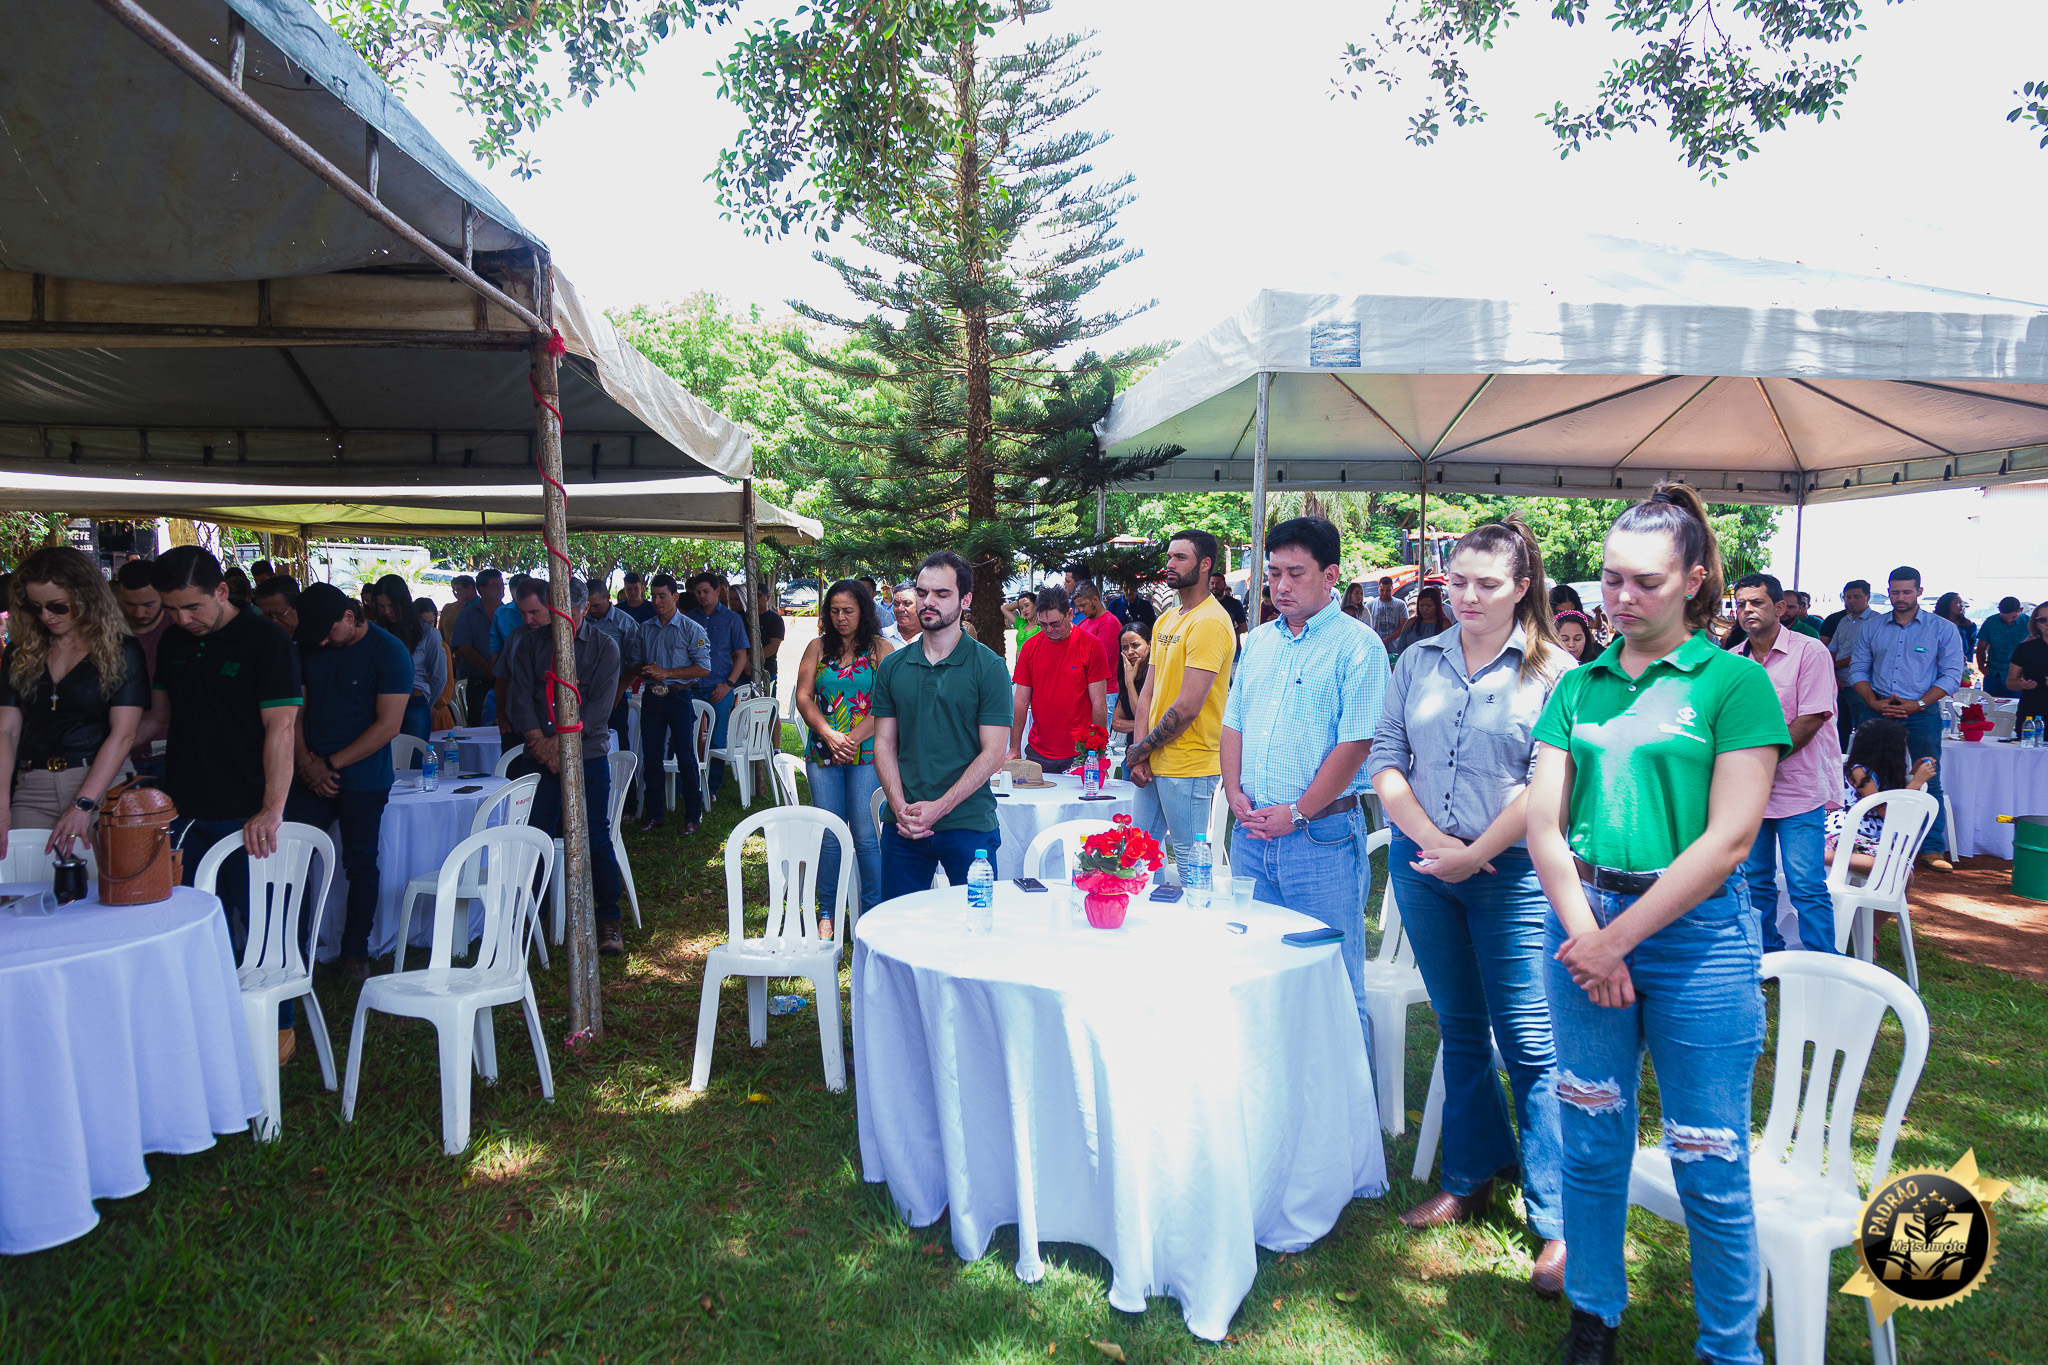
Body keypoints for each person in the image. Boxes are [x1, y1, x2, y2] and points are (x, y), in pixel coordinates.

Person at [1524, 483, 1789, 1365]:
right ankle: (1593, 1315)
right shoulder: (1579, 684)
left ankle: (1729, 1347)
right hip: (1585, 923)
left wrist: (1616, 941)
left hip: (1697, 936)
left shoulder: (1734, 682)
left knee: (1708, 1155)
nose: (1622, 596)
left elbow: (1730, 839)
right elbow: (1543, 823)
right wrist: (1587, 937)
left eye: (1646, 580)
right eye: (1611, 578)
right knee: (1592, 1136)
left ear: (1695, 579)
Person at [1368, 518, 1572, 1295]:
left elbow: (1547, 782)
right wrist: (1432, 842)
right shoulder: (1417, 658)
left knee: (1529, 1042)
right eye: (1457, 581)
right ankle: (1470, 1175)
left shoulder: (1555, 671)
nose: (1469, 597)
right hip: (1425, 867)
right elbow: (1387, 756)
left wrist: (1476, 850)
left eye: (1488, 583)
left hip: (1512, 872)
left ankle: (1558, 1220)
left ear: (1522, 586)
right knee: (1458, 1026)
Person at [1223, 516, 1387, 1048]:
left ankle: (1351, 1104)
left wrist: (1297, 812)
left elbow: (1357, 742)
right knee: (1257, 976)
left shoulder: (1359, 646)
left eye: (1296, 573)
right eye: (1273, 573)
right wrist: (1233, 791)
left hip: (1320, 840)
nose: (1282, 585)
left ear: (1330, 575)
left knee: (1333, 984)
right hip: (1252, 836)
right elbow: (1234, 721)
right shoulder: (1258, 642)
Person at [146, 548, 301, 1064]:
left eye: (192, 606)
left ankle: (278, 1026)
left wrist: (271, 807)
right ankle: (207, 1021)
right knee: (190, 924)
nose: (181, 619)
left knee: (261, 923)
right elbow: (159, 718)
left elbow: (281, 727)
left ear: (221, 591)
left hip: (246, 810)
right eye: (171, 609)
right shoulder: (172, 641)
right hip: (182, 811)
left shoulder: (266, 641)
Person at [284, 583, 410, 979]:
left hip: (364, 777)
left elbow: (388, 726)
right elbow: (295, 713)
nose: (321, 641)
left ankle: (355, 952)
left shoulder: (389, 651)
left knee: (361, 864)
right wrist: (306, 762)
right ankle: (290, 950)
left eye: (328, 632)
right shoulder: (310, 646)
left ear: (350, 617)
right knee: (291, 858)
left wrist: (329, 764)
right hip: (310, 770)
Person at [871, 551, 1012, 898]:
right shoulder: (892, 667)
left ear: (966, 599)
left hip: (968, 824)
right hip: (904, 825)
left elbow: (994, 753)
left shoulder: (989, 667)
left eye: (941, 593)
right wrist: (899, 807)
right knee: (900, 925)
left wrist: (939, 808)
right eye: (922, 593)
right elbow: (883, 743)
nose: (928, 602)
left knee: (976, 924)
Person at [503, 576, 628, 955]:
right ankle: (531, 918)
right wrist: (541, 746)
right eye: (549, 610)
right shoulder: (529, 644)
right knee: (535, 833)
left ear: (583, 608)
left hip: (586, 755)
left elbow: (597, 712)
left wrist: (556, 746)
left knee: (595, 835)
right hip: (537, 756)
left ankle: (608, 919)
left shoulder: (605, 647)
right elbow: (519, 700)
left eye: (564, 611)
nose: (547, 619)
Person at [0, 547, 151, 857]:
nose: (46, 616)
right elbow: (6, 731)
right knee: (24, 880)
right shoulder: (19, 651)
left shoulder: (122, 649)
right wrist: (1, 803)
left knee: (107, 882)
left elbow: (123, 735)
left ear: (85, 598)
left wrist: (83, 803)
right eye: (36, 607)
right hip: (34, 786)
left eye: (58, 606)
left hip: (104, 783)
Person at [1729, 573, 1842, 955]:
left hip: (1799, 788)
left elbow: (1810, 720)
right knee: (1755, 880)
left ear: (1779, 608)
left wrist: (1757, 764)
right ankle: (1767, 958)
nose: (1747, 610)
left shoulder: (1811, 652)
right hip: (1749, 793)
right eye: (1741, 604)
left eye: (1756, 602)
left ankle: (1823, 965)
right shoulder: (1733, 660)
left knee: (1805, 883)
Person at [1130, 531, 1236, 881]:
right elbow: (1148, 693)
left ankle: (1199, 918)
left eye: (1180, 558)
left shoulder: (1210, 622)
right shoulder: (1167, 618)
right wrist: (1140, 752)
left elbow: (1188, 706)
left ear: (1205, 565)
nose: (1170, 564)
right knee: (1138, 857)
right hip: (1153, 757)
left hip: (1189, 763)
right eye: (1169, 557)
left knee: (1192, 862)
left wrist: (1142, 749)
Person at [795, 580, 895, 929]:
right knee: (829, 833)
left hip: (867, 751)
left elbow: (889, 701)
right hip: (824, 751)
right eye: (835, 611)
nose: (841, 618)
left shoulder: (881, 649)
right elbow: (803, 696)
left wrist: (849, 739)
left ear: (863, 611)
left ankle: (872, 914)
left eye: (848, 611)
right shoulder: (817, 647)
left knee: (866, 836)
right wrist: (829, 734)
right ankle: (828, 914)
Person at [1850, 566, 1963, 873]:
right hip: (1877, 709)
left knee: (1929, 775)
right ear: (1888, 591)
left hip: (1922, 713)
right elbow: (1858, 670)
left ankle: (1931, 848)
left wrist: (1919, 703)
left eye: (1907, 592)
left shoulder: (1942, 629)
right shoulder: (1872, 627)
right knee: (1865, 774)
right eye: (1895, 592)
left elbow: (1952, 674)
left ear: (1919, 592)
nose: (1900, 597)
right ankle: (1864, 840)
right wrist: (1873, 701)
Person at [630, 572, 712, 834]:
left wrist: (666, 672)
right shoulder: (645, 628)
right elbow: (635, 662)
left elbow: (704, 668)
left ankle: (692, 816)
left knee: (685, 756)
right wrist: (646, 670)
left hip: (678, 696)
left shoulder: (691, 628)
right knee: (651, 756)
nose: (657, 601)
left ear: (675, 596)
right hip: (652, 696)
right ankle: (654, 814)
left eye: (662, 596)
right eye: (653, 596)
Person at [1008, 585, 1111, 774]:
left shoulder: (1091, 646)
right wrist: (1014, 748)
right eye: (1042, 624)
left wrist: (1097, 752)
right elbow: (1020, 700)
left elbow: (1099, 703)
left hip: (1079, 753)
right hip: (1039, 752)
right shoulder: (1030, 647)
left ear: (1070, 614)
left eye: (1055, 623)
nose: (1049, 630)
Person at [1827, 718, 1937, 879]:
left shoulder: (1883, 774)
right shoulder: (1859, 771)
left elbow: (1896, 800)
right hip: (1848, 833)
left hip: (1873, 837)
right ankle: (1822, 857)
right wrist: (1916, 782)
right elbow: (1885, 810)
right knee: (1897, 869)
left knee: (1903, 874)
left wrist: (1913, 773)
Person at [686, 571, 751, 804]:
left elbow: (742, 655)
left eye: (706, 591)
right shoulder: (688, 618)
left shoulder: (732, 619)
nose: (702, 596)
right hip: (692, 686)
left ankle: (712, 787)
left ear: (717, 591)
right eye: (698, 592)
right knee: (687, 736)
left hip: (720, 686)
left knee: (718, 739)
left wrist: (729, 684)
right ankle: (689, 784)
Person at [371, 574, 442, 744]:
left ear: (404, 601)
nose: (387, 611)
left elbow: (439, 677)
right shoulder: (373, 632)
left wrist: (425, 702)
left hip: (414, 703)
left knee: (413, 758)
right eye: (381, 606)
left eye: (391, 605)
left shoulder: (428, 633)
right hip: (377, 704)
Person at [1821, 579, 1879, 745]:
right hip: (1839, 682)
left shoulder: (1876, 621)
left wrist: (1834, 666)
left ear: (1868, 597)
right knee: (1838, 728)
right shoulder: (1844, 620)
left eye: (1856, 597)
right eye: (1848, 597)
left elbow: (1867, 655)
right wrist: (1833, 673)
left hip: (1861, 684)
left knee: (1863, 728)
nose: (1851, 601)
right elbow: (1832, 649)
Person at [582, 579, 637, 752]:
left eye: (596, 606)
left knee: (618, 742)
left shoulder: (625, 624)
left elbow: (636, 661)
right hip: (583, 692)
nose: (591, 610)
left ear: (608, 598)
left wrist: (619, 689)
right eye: (588, 605)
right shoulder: (580, 621)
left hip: (614, 691)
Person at [452, 568, 502, 726]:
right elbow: (464, 648)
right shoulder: (467, 614)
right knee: (478, 726)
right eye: (495, 585)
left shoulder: (510, 613)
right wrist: (488, 668)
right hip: (479, 683)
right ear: (482, 589)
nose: (501, 589)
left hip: (507, 683)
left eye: (501, 585)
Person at [1071, 580, 1123, 714]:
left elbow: (1097, 661)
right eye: (1078, 606)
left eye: (1083, 605)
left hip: (1106, 693)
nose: (1081, 610)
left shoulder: (1109, 623)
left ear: (1095, 599)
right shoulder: (1083, 622)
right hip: (1087, 692)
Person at [417, 597, 459, 731]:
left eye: (430, 623)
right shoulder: (406, 644)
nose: (426, 628)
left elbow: (445, 681)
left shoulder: (441, 646)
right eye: (422, 623)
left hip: (435, 709)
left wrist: (431, 704)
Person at [1979, 597, 2030, 699]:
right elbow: (1981, 647)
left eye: (2013, 617)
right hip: (1994, 673)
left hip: (2020, 676)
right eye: (2004, 617)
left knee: (2018, 705)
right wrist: (1981, 667)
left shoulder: (2030, 623)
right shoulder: (1991, 622)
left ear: (2021, 610)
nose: (2009, 621)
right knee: (1990, 704)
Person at [2008, 601, 2048, 726]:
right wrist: (2021, 684)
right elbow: (2010, 682)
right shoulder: (2024, 649)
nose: (2047, 623)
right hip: (2031, 716)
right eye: (2043, 620)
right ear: (2036, 624)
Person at [1112, 623, 1150, 738]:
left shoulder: (1156, 676)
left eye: (1135, 645)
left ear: (1149, 644)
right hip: (1132, 745)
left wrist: (1130, 683)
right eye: (1125, 648)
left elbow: (1140, 716)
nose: (1130, 652)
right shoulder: (1128, 674)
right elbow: (1116, 723)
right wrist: (1144, 724)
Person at [1389, 585, 1448, 655]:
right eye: (1422, 605)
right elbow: (1400, 647)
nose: (1425, 609)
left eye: (1429, 606)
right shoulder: (1411, 622)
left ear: (1437, 606)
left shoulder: (1445, 624)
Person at [754, 582, 787, 694]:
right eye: (752, 596)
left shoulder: (775, 619)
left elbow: (773, 646)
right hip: (744, 672)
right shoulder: (745, 618)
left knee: (767, 703)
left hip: (767, 671)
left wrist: (751, 661)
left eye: (758, 596)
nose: (755, 599)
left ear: (767, 597)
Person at [1934, 591, 1977, 664]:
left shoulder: (1967, 624)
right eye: (1958, 602)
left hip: (1959, 661)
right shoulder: (1934, 622)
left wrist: (1968, 662)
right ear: (1946, 604)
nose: (1961, 606)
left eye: (1962, 603)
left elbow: (1970, 647)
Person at [1367, 576, 1406, 647]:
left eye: (1388, 590)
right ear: (1378, 588)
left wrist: (1386, 640)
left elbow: (1403, 626)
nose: (1384, 593)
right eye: (1382, 590)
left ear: (1392, 588)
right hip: (1375, 644)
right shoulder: (1370, 605)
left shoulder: (1400, 604)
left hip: (1395, 647)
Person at [879, 583, 921, 647]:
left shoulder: (932, 636)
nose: (900, 609)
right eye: (896, 604)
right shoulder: (883, 636)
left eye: (907, 603)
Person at [1003, 590, 1041, 655]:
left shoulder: (1042, 627)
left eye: (1027, 605)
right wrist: (1020, 602)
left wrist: (1036, 599)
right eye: (1021, 608)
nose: (1024, 610)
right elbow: (1004, 608)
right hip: (1019, 661)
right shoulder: (1021, 624)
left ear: (1035, 605)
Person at [440, 574, 475, 643]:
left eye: (458, 590)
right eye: (453, 590)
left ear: (470, 588)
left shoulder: (480, 607)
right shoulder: (448, 607)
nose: (456, 593)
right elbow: (440, 634)